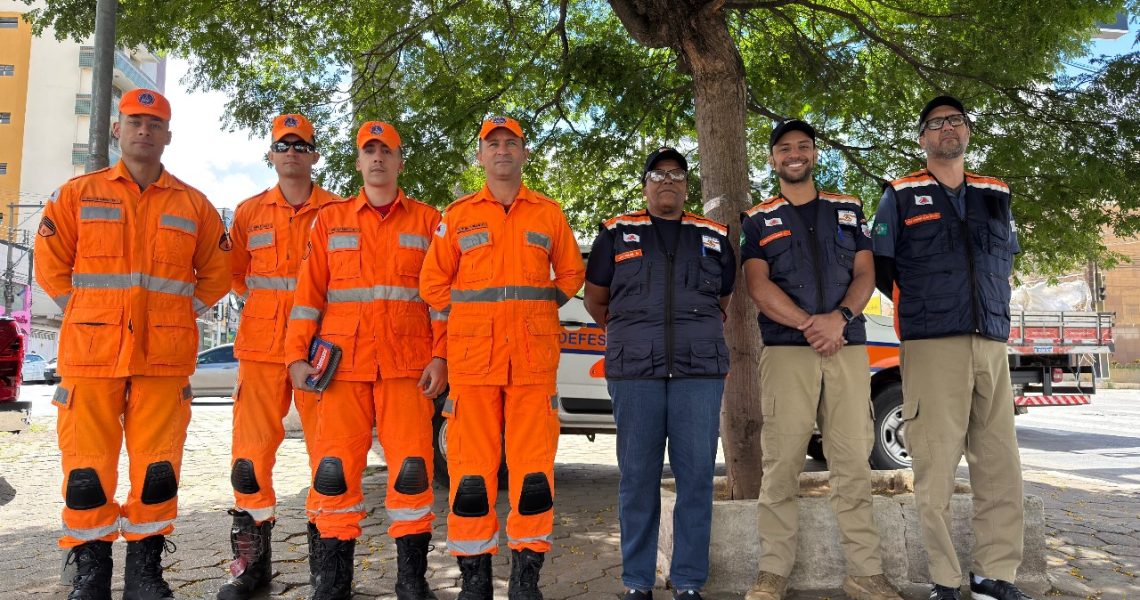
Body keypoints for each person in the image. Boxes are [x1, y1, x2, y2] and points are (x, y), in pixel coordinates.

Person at [34, 88, 231, 600]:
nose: (145, 130)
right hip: (91, 357)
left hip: (163, 360)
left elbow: (218, 271)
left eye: (155, 123)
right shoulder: (76, 195)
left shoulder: (194, 206)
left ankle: (145, 573)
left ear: (168, 136)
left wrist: (180, 313)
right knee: (86, 471)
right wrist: (83, 312)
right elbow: (50, 263)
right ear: (116, 130)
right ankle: (91, 572)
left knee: (157, 469)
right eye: (135, 121)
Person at [419, 115, 585, 600]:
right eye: (493, 145)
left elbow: (570, 273)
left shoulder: (548, 214)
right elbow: (432, 282)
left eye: (511, 143)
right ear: (481, 156)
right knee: (471, 476)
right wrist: (469, 318)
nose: (502, 151)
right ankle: (474, 580)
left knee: (534, 475)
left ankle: (525, 579)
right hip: (473, 366)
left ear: (524, 153)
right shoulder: (459, 215)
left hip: (532, 364)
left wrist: (537, 310)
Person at [872, 96, 1031, 600]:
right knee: (935, 464)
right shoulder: (899, 195)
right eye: (937, 123)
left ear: (967, 132)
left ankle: (993, 576)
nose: (948, 129)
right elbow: (882, 267)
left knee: (1000, 465)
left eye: (957, 121)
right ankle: (944, 580)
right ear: (922, 138)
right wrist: (925, 304)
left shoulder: (996, 192)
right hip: (932, 343)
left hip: (990, 343)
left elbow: (1005, 259)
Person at [740, 120, 902, 600]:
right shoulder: (757, 218)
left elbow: (866, 271)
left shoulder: (848, 209)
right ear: (772, 160)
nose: (795, 154)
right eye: (785, 148)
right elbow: (757, 285)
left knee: (853, 460)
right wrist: (811, 324)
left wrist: (841, 317)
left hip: (847, 348)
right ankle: (772, 573)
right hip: (789, 351)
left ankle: (865, 573)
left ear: (814, 154)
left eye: (803, 146)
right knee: (782, 461)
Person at [284, 121, 446, 600]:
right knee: (333, 476)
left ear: (399, 161)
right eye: (369, 151)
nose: (377, 159)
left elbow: (440, 300)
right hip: (341, 371)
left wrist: (442, 356)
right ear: (357, 161)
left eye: (386, 151)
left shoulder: (427, 221)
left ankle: (411, 582)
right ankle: (333, 584)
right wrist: (295, 355)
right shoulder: (330, 221)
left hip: (407, 369)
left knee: (413, 473)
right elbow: (307, 295)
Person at [582, 147, 735, 600]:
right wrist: (633, 334)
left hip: (699, 374)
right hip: (635, 374)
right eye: (657, 174)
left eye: (675, 174)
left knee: (695, 480)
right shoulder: (617, 232)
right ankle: (637, 582)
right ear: (645, 184)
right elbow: (596, 300)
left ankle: (688, 583)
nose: (666, 181)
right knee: (637, 479)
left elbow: (723, 300)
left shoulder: (714, 235)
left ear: (686, 186)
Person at [217, 113, 342, 599]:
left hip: (321, 353)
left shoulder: (338, 211)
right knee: (248, 461)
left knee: (330, 460)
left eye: (300, 144)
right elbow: (237, 277)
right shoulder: (248, 214)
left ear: (314, 154)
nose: (291, 151)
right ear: (270, 154)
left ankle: (328, 570)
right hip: (263, 351)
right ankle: (250, 565)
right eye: (282, 144)